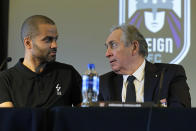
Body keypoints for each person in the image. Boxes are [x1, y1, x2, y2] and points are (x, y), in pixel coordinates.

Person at [98, 24, 191, 107]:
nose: (107, 53)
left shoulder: (169, 75)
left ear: (134, 47)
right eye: (107, 47)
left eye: (113, 45)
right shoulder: (104, 83)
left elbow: (180, 117)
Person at [0, 15, 82, 108]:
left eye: (56, 39)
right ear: (28, 43)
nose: (55, 45)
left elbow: (87, 114)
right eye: (48, 40)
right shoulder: (5, 80)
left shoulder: (68, 73)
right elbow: (9, 119)